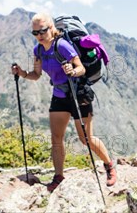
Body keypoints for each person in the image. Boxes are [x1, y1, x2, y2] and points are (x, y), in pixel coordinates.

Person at [11, 12, 117, 192]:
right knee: (56, 139)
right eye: (35, 33)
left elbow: (81, 68)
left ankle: (109, 166)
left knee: (86, 139)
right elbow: (36, 75)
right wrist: (21, 73)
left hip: (78, 94)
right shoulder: (38, 51)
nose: (39, 36)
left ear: (51, 28)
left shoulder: (63, 46)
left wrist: (72, 70)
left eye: (42, 31)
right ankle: (58, 177)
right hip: (59, 96)